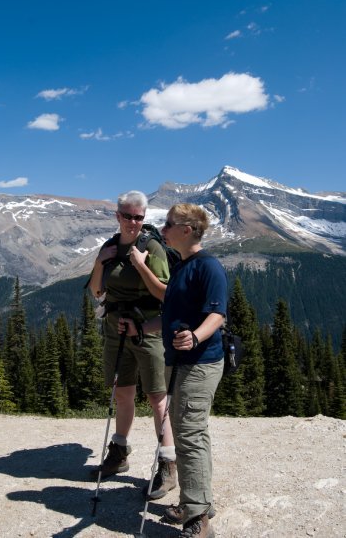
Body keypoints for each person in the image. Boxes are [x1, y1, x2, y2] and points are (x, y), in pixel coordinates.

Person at [119, 203, 227, 538]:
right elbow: (170, 315)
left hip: (200, 363)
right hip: (179, 361)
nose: (162, 230)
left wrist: (195, 336)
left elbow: (217, 315)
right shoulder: (182, 266)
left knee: (190, 434)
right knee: (190, 433)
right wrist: (142, 328)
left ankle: (197, 519)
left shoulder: (209, 267)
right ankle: (198, 502)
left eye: (168, 225)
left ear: (188, 229)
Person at [88, 190, 177, 500]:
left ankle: (168, 464)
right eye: (127, 216)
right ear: (118, 216)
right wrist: (100, 262)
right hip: (115, 330)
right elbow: (97, 291)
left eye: (139, 217)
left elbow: (166, 294)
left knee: (157, 397)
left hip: (148, 331)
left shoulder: (152, 248)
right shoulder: (109, 248)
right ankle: (120, 451)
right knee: (122, 391)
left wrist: (141, 265)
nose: (133, 222)